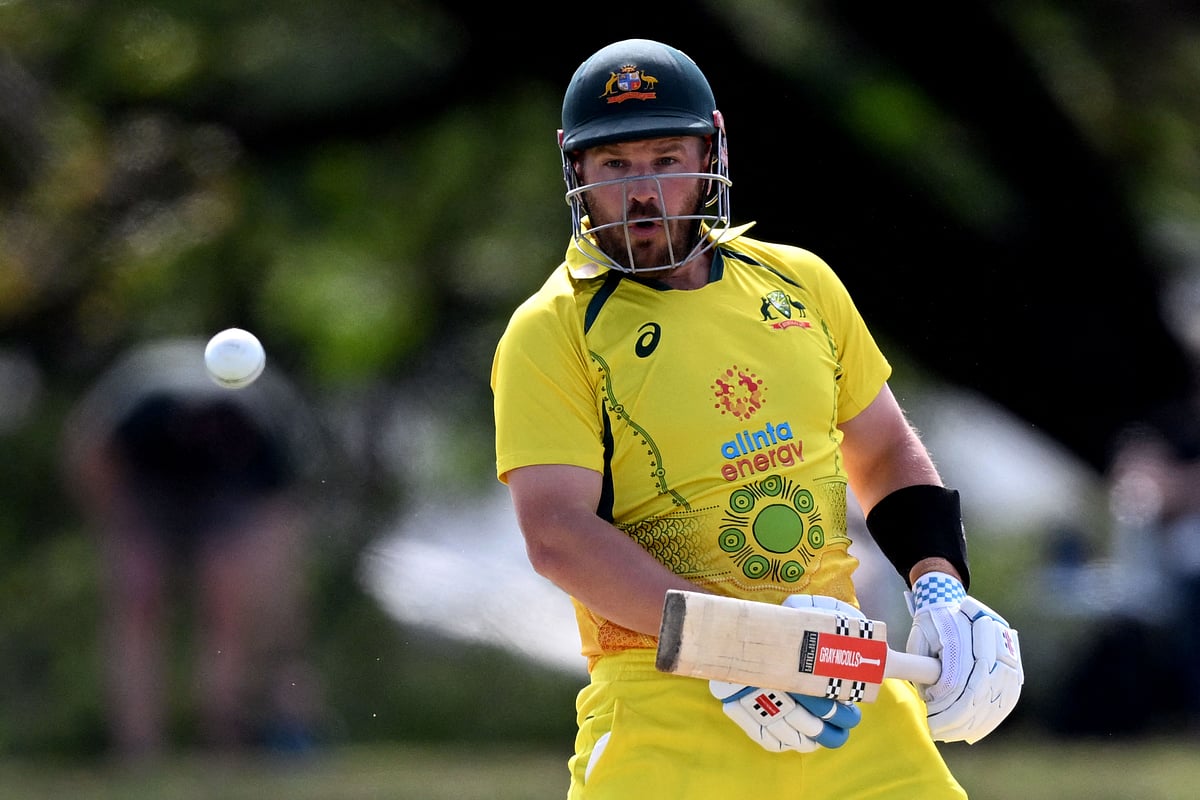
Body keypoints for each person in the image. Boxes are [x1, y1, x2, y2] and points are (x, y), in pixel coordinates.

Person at [491, 39, 1023, 799]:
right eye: (615, 167)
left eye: (667, 158)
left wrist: (937, 585)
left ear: (711, 146)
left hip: (846, 684)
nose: (644, 193)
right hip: (666, 707)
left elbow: (882, 451)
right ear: (573, 167)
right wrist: (735, 649)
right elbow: (557, 535)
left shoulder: (799, 281)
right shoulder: (552, 329)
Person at [62, 338, 324, 761]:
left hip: (227, 492)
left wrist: (274, 589)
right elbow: (87, 452)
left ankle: (224, 741)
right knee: (137, 602)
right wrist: (116, 525)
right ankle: (137, 747)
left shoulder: (262, 419)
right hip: (144, 486)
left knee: (228, 612)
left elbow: (278, 511)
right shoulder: (143, 404)